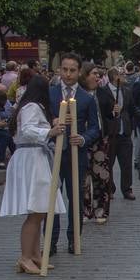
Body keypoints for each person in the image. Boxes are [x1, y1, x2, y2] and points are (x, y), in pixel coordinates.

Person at [0, 74, 67, 274]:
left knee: (40, 210)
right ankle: (25, 256)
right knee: (36, 212)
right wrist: (48, 132)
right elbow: (29, 130)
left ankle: (34, 253)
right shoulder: (31, 107)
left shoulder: (31, 107)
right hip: (31, 158)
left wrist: (50, 125)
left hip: (34, 157)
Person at [48, 53, 96, 251]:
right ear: (60, 70)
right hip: (52, 152)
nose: (68, 74)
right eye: (65, 69)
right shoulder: (50, 93)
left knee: (75, 198)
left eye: (72, 70)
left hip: (76, 154)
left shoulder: (86, 98)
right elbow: (40, 117)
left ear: (79, 73)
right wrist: (51, 123)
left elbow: (95, 127)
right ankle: (50, 241)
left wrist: (83, 138)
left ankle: (74, 238)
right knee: (51, 197)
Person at [81, 65, 114, 224]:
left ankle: (101, 209)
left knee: (102, 175)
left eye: (98, 74)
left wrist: (115, 110)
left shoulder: (103, 92)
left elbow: (110, 112)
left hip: (101, 139)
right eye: (94, 74)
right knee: (83, 177)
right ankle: (86, 210)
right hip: (83, 138)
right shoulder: (79, 94)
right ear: (85, 76)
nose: (97, 77)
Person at [103, 67, 134, 201]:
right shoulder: (103, 92)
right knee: (108, 163)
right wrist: (111, 111)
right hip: (111, 133)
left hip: (124, 132)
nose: (125, 75)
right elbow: (101, 110)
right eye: (122, 74)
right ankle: (110, 188)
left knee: (126, 164)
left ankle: (127, 189)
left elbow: (131, 109)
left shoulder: (126, 90)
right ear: (115, 77)